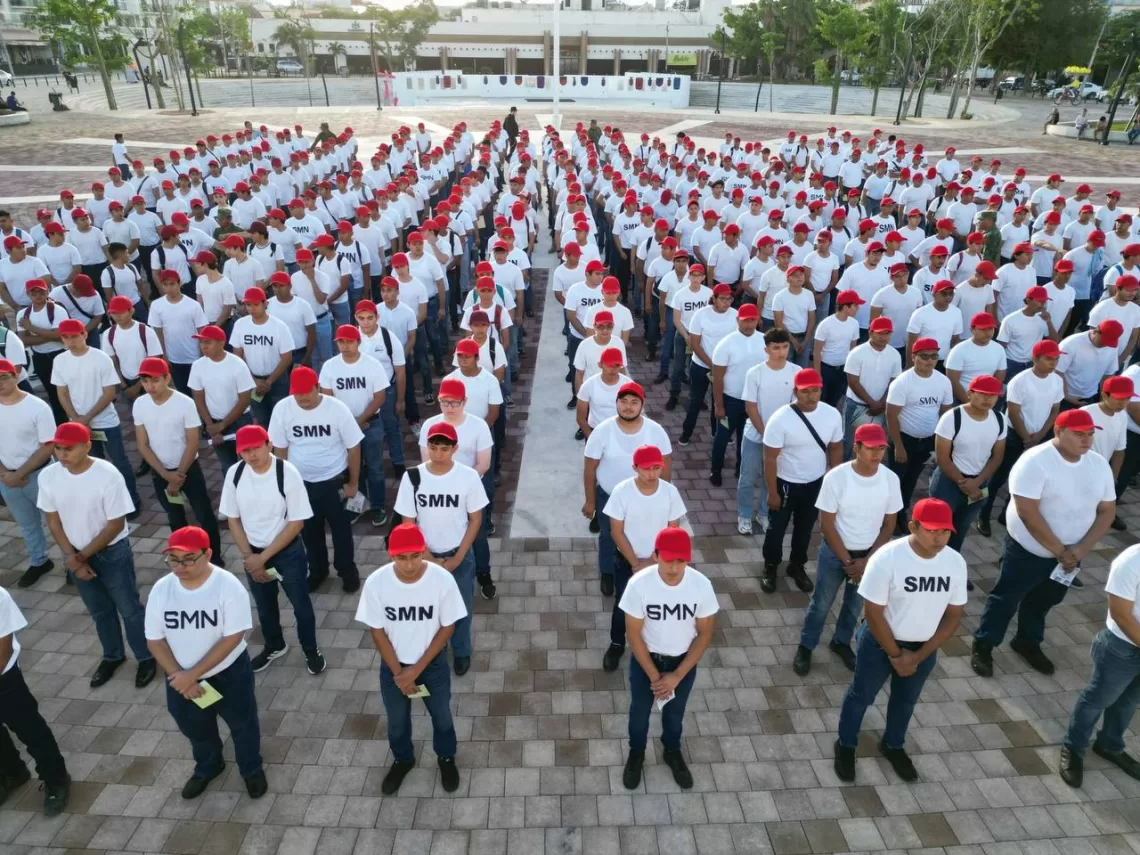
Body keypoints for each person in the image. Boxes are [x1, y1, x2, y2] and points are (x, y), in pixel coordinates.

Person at [972, 408, 1117, 679]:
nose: (1086, 441)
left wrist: (1081, 549)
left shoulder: (1097, 464)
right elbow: (1028, 512)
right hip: (1029, 552)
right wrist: (1060, 550)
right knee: (1006, 599)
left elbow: (1107, 509)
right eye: (1078, 435)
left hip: (1071, 555)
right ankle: (984, 644)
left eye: (1089, 435)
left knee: (1045, 600)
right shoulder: (1035, 461)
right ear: (1058, 432)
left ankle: (1027, 641)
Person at [833, 497, 968, 783]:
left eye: (944, 531)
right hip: (881, 645)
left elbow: (954, 616)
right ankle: (845, 744)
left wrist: (917, 657)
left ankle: (893, 744)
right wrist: (896, 655)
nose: (939, 538)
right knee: (861, 697)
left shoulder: (954, 562)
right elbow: (873, 612)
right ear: (913, 527)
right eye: (932, 530)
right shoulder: (888, 558)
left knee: (906, 701)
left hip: (923, 649)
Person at [144, 526, 267, 801]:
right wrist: (179, 676)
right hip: (180, 678)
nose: (180, 566)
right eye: (174, 560)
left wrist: (193, 675)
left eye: (188, 559)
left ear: (208, 554)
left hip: (228, 675)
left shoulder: (228, 586)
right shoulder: (162, 590)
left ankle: (251, 768)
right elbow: (154, 639)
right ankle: (209, 765)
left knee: (242, 724)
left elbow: (233, 637)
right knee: (194, 727)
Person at [37, 421, 157, 689]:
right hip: (76, 554)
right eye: (57, 448)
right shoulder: (49, 476)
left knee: (129, 609)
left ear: (87, 445)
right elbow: (53, 522)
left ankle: (147, 656)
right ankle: (113, 656)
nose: (62, 454)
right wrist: (72, 557)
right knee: (100, 611)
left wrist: (80, 558)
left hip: (112, 552)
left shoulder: (107, 474)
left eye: (68, 448)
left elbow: (115, 523)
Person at [355, 522, 466, 795]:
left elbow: (447, 627)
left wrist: (414, 671)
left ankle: (446, 757)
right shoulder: (376, 583)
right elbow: (377, 631)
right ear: (390, 556)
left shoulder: (441, 580)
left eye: (415, 556)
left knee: (441, 717)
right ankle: (403, 759)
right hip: (394, 668)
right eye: (400, 558)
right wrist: (399, 673)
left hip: (432, 666)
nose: (409, 565)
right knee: (396, 720)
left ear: (423, 551)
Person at [794, 423, 902, 677]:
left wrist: (867, 561)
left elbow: (889, 524)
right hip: (836, 554)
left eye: (881, 449)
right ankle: (806, 645)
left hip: (868, 556)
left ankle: (841, 641)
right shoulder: (837, 478)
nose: (877, 454)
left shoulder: (890, 479)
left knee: (854, 605)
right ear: (856, 447)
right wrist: (847, 560)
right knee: (821, 602)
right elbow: (827, 524)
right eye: (871, 448)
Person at [220, 425, 324, 676]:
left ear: (269, 444)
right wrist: (248, 556)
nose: (251, 455)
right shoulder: (235, 473)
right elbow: (232, 519)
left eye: (255, 447)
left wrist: (262, 559)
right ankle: (274, 645)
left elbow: (297, 522)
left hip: (286, 552)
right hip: (252, 551)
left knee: (300, 605)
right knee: (264, 605)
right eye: (244, 451)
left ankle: (311, 650)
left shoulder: (286, 473)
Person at [619, 527, 717, 791]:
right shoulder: (639, 585)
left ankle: (671, 750)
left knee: (675, 714)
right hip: (646, 661)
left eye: (681, 561)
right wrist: (655, 677)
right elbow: (634, 635)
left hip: (681, 663)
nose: (674, 567)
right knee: (639, 713)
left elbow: (705, 634)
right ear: (655, 555)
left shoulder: (701, 585)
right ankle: (636, 753)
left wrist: (676, 675)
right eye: (668, 560)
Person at [393, 422, 487, 677]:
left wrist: (458, 556)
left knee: (461, 607)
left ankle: (461, 650)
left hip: (459, 555)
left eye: (444, 449)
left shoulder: (468, 477)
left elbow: (475, 519)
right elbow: (408, 524)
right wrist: (428, 558)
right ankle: (435, 649)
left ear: (455, 449)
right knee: (431, 608)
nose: (437, 454)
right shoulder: (413, 477)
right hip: (423, 558)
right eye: (433, 448)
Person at [268, 366, 363, 594]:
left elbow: (353, 446)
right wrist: (282, 485)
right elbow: (280, 449)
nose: (302, 399)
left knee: (341, 532)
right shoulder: (283, 409)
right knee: (309, 533)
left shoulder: (337, 409)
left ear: (318, 387)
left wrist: (354, 483)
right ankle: (318, 570)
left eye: (307, 393)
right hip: (301, 483)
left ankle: (347, 571)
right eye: (297, 394)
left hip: (334, 481)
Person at [1059, 542, 1140, 788]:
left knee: (1129, 702)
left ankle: (1109, 745)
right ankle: (1073, 748)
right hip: (1122, 647)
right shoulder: (1131, 561)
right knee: (1097, 700)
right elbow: (1120, 613)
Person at [601, 444, 687, 674]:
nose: (652, 474)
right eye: (647, 469)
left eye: (657, 468)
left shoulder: (670, 492)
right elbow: (616, 531)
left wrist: (655, 562)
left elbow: (672, 531)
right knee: (623, 605)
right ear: (635, 467)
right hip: (627, 562)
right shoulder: (622, 491)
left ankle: (651, 646)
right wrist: (636, 563)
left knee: (657, 605)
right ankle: (617, 643)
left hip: (660, 563)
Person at [583, 382, 672, 596]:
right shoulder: (602, 432)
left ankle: (643, 568)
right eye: (623, 402)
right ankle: (607, 573)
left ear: (642, 405)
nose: (628, 407)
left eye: (634, 402)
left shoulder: (656, 432)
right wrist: (590, 501)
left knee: (644, 533)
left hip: (645, 495)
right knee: (607, 535)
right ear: (616, 404)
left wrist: (665, 497)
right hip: (609, 496)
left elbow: (666, 468)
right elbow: (589, 469)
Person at [761, 368, 844, 594]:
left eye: (815, 391)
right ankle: (770, 565)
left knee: (805, 529)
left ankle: (797, 565)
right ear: (795, 391)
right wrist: (772, 492)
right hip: (785, 483)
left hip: (815, 483)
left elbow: (836, 447)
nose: (811, 396)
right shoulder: (780, 419)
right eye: (805, 391)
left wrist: (834, 480)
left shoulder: (832, 415)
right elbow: (769, 458)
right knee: (776, 529)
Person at [133, 357, 222, 559]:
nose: (150, 386)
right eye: (145, 381)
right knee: (175, 517)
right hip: (160, 471)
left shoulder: (185, 403)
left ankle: (214, 556)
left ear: (167, 378)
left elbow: (192, 442)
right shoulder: (140, 404)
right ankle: (182, 557)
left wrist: (179, 474)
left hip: (188, 469)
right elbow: (142, 444)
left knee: (204, 515)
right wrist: (165, 475)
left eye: (155, 380)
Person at [52, 318, 142, 514]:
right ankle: (103, 504)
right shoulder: (60, 361)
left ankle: (132, 501)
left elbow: (109, 393)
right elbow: (62, 393)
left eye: (74, 336)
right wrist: (76, 419)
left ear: (84, 334)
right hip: (78, 424)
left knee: (119, 462)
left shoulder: (100, 358)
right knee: (91, 465)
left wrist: (84, 419)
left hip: (106, 422)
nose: (70, 341)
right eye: (66, 337)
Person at [978, 339, 1064, 537]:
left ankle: (1006, 514)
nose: (1053, 363)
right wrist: (1026, 438)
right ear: (1035, 358)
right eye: (1049, 359)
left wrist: (1040, 436)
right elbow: (1014, 412)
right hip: (1015, 436)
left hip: (1039, 436)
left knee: (1026, 477)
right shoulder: (1020, 380)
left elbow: (1055, 410)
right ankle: (983, 513)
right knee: (997, 478)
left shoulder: (1057, 381)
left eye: (1056, 359)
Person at [0, 584, 70, 815]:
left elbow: (3, 651)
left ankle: (56, 780)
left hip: (5, 680)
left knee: (32, 732)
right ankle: (13, 773)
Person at [319, 324, 391, 525]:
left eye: (349, 341)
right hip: (343, 427)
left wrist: (360, 421)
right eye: (341, 341)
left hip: (370, 424)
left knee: (375, 467)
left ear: (358, 342)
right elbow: (328, 398)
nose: (345, 345)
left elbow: (379, 397)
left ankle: (377, 506)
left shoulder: (372, 364)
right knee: (351, 468)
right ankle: (358, 504)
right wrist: (350, 425)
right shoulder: (330, 366)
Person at [0, 359, 57, 587]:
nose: (0, 383)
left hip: (39, 475)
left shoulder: (37, 407)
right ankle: (39, 561)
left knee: (56, 522)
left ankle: (73, 561)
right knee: (26, 524)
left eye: (4, 377)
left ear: (15, 376)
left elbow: (48, 445)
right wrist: (5, 474)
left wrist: (19, 473)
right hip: (7, 478)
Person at [737, 328, 798, 535]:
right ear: (766, 349)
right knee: (747, 477)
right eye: (776, 348)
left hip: (782, 439)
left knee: (770, 478)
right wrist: (766, 434)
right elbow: (750, 407)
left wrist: (778, 437)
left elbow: (795, 408)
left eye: (784, 347)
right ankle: (744, 515)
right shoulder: (755, 373)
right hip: (755, 434)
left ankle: (763, 513)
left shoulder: (796, 372)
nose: (781, 352)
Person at [710, 303, 765, 486]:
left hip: (753, 401)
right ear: (737, 321)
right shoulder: (726, 344)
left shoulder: (765, 341)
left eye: (752, 320)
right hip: (730, 400)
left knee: (746, 437)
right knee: (723, 437)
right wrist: (719, 405)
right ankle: (715, 470)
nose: (749, 325)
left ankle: (740, 469)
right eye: (745, 321)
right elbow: (717, 377)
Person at [842, 316, 901, 460]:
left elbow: (894, 382)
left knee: (871, 445)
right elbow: (853, 382)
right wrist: (873, 403)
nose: (883, 337)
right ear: (871, 332)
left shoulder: (894, 355)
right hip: (856, 405)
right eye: (880, 333)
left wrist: (882, 403)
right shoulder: (857, 353)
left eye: (887, 333)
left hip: (880, 407)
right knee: (848, 443)